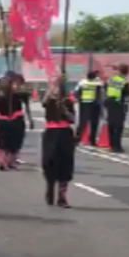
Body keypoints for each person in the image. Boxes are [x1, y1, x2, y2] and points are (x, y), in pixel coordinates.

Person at [41, 76, 76, 208]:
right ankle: (50, 188)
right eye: (55, 86)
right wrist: (51, 90)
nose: (57, 88)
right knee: (49, 162)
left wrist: (65, 110)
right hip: (51, 134)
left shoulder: (68, 101)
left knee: (65, 164)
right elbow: (44, 102)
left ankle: (62, 197)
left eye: (59, 86)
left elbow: (73, 119)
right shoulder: (49, 100)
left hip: (65, 134)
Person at [0, 73, 28, 171]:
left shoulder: (18, 94)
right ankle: (3, 162)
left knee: (13, 143)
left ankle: (9, 162)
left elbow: (24, 100)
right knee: (3, 143)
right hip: (4, 121)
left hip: (15, 121)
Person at [104, 64, 129, 153]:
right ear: (126, 72)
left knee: (111, 124)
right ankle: (117, 146)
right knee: (119, 126)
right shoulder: (124, 82)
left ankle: (111, 145)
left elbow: (105, 88)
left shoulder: (111, 79)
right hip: (119, 104)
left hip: (109, 103)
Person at [75, 71, 103, 146]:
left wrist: (79, 99)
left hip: (84, 104)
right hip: (94, 105)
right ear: (94, 77)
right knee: (94, 123)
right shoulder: (97, 83)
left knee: (82, 122)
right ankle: (93, 141)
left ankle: (77, 139)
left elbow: (76, 92)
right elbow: (100, 94)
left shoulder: (82, 82)